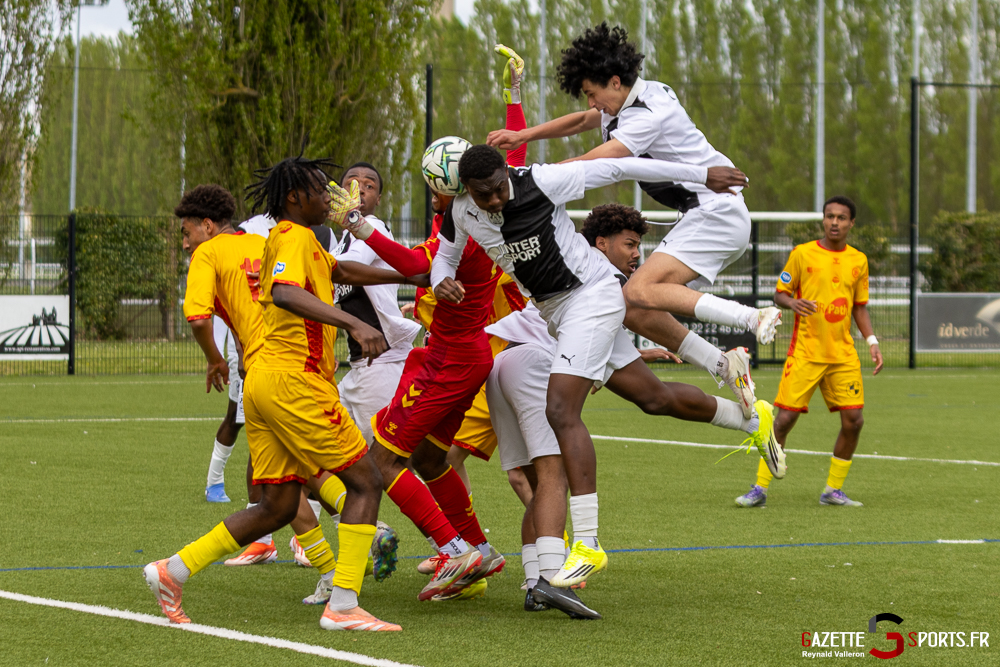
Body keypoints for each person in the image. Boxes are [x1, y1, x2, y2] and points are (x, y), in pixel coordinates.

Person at [429, 144, 774, 597]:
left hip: (590, 297)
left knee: (560, 410)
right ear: (464, 189)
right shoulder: (460, 211)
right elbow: (446, 257)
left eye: (498, 189)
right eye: (482, 194)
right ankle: (751, 418)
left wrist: (700, 175)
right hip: (556, 311)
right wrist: (440, 280)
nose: (494, 200)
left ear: (506, 174)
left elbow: (619, 165)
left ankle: (588, 543)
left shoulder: (540, 181)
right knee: (653, 398)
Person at [144, 156, 414, 632]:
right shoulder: (290, 236)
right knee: (366, 481)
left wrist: (411, 274)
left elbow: (343, 272)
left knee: (278, 506)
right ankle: (344, 605)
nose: (329, 198)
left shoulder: (299, 240)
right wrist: (353, 323)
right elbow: (286, 292)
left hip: (264, 380)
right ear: (295, 198)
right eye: (320, 190)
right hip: (294, 379)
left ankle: (172, 570)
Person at [484, 202, 780, 619]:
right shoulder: (605, 281)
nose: (637, 254)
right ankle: (551, 579)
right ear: (600, 243)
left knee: (653, 397)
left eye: (639, 245)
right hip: (535, 362)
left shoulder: (586, 278)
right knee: (553, 476)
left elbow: (652, 388)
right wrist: (717, 359)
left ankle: (751, 418)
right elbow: (642, 312)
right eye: (630, 244)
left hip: (507, 364)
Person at [486, 22, 782, 362]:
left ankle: (752, 316)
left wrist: (537, 180)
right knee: (631, 304)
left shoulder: (646, 115)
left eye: (592, 93)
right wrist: (524, 136)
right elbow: (581, 120)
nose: (593, 103)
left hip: (716, 212)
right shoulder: (633, 99)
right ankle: (723, 364)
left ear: (615, 81)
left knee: (640, 289)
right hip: (709, 214)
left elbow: (603, 160)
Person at [736, 196, 882, 508]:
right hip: (805, 353)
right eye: (830, 216)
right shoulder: (803, 254)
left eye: (841, 218)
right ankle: (759, 488)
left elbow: (859, 308)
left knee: (854, 421)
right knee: (784, 421)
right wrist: (792, 303)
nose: (834, 222)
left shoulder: (859, 260)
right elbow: (779, 293)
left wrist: (872, 342)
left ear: (851, 223)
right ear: (823, 219)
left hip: (843, 356)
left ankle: (833, 491)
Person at [333, 162, 422, 445]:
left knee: (384, 463)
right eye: (350, 184)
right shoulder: (340, 243)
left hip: (382, 363)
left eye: (368, 185)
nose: (358, 190)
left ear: (378, 199)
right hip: (360, 365)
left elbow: (347, 267)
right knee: (332, 454)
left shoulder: (372, 227)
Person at [176, 186, 250, 504]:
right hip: (286, 354)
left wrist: (216, 359)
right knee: (243, 419)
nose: (184, 242)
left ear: (207, 226)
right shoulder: (260, 242)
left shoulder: (206, 254)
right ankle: (216, 483)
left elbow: (199, 319)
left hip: (265, 359)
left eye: (186, 232)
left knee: (263, 433)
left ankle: (263, 530)